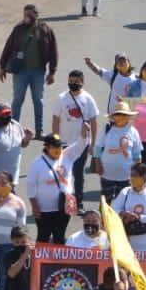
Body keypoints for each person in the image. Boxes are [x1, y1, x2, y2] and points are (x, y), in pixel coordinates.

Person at [0, 4, 58, 134]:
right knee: (18, 100)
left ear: (36, 15)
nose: (27, 17)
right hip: (20, 71)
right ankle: (13, 129)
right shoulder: (18, 29)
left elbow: (53, 51)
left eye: (30, 15)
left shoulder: (45, 29)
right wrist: (2, 67)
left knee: (38, 101)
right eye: (25, 15)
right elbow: (8, 47)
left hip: (38, 71)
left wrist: (52, 72)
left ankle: (39, 129)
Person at [27, 129, 90, 245]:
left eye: (60, 147)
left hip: (64, 208)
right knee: (43, 237)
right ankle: (40, 262)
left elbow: (80, 146)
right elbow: (30, 186)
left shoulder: (67, 156)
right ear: (46, 147)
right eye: (54, 147)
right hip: (45, 210)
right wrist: (34, 206)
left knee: (60, 237)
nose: (58, 150)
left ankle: (58, 262)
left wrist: (83, 135)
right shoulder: (37, 163)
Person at [52, 69, 99, 208]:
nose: (72, 84)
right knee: (63, 174)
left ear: (82, 82)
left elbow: (94, 121)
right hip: (65, 143)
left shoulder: (88, 99)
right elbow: (55, 119)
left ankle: (79, 202)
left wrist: (93, 144)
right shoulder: (61, 98)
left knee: (78, 174)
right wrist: (56, 140)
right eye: (70, 81)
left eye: (76, 82)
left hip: (82, 144)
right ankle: (63, 202)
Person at [94, 103, 144, 203]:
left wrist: (138, 172)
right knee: (105, 203)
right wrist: (98, 165)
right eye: (118, 114)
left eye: (124, 115)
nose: (121, 117)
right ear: (114, 117)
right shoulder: (106, 129)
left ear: (129, 117)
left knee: (123, 203)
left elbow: (137, 154)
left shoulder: (133, 131)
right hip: (107, 173)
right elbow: (98, 148)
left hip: (126, 175)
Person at [0, 103, 32, 192]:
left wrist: (27, 137)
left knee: (12, 205)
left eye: (8, 114)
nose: (6, 116)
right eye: (3, 114)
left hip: (12, 181)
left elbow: (22, 144)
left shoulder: (16, 126)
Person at [113, 162, 146, 253]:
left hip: (143, 239)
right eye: (131, 175)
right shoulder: (125, 192)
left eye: (135, 175)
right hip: (125, 237)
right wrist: (123, 213)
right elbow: (114, 209)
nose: (132, 178)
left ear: (144, 177)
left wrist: (138, 217)